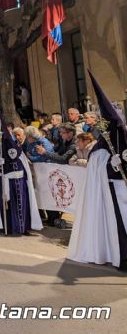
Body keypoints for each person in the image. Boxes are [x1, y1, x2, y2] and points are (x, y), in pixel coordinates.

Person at [68, 74, 127, 270]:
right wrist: (111, 165)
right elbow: (97, 169)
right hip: (112, 193)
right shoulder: (101, 148)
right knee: (119, 224)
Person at [0, 131, 43, 236]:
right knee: (8, 206)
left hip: (20, 183)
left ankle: (23, 227)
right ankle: (10, 228)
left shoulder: (18, 151)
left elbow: (25, 165)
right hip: (5, 184)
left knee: (22, 205)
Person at [36, 123, 77, 226]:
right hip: (59, 173)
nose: (60, 134)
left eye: (62, 132)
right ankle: (52, 218)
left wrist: (45, 153)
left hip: (71, 176)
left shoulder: (74, 144)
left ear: (70, 133)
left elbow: (63, 159)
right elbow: (55, 152)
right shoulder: (64, 141)